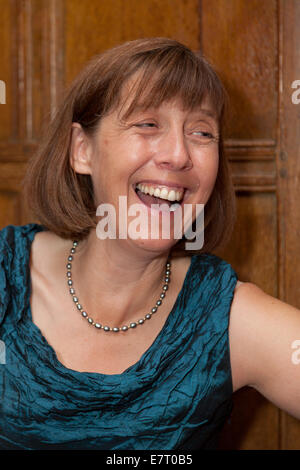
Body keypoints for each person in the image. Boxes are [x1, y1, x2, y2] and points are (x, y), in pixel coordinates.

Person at [0, 37, 299, 451]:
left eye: (201, 131)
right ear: (81, 150)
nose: (178, 155)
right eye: (147, 124)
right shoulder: (6, 274)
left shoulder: (228, 319)